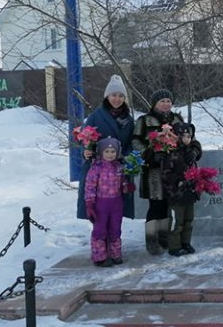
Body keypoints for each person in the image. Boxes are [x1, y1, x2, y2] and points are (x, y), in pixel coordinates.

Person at [76, 75, 135, 222]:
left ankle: (114, 240)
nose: (117, 99)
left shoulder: (128, 119)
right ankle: (100, 241)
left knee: (116, 209)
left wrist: (127, 157)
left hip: (118, 170)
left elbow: (131, 142)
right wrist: (86, 151)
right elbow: (84, 138)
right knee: (97, 210)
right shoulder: (95, 116)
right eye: (114, 95)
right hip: (98, 170)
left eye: (121, 96)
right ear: (107, 96)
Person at [133, 89, 184, 255]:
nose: (166, 104)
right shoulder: (144, 120)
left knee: (167, 204)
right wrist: (149, 154)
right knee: (155, 204)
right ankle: (152, 240)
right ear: (154, 103)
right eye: (162, 101)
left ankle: (164, 238)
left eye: (168, 101)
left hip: (172, 170)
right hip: (153, 170)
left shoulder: (177, 119)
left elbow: (185, 138)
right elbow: (135, 141)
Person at [84, 137, 131, 267]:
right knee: (100, 229)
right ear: (101, 152)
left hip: (116, 203)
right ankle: (99, 257)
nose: (110, 154)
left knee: (115, 229)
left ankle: (115, 254)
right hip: (101, 204)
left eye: (112, 151)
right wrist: (89, 204)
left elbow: (123, 184)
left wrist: (128, 186)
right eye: (107, 151)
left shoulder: (119, 167)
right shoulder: (96, 168)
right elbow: (90, 186)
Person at [162, 122, 203, 256]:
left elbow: (194, 169)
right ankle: (174, 246)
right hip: (177, 194)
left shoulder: (191, 152)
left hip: (189, 192)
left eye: (188, 136)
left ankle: (186, 242)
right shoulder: (172, 153)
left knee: (188, 220)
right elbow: (166, 173)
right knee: (178, 222)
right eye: (183, 136)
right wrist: (178, 181)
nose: (186, 139)